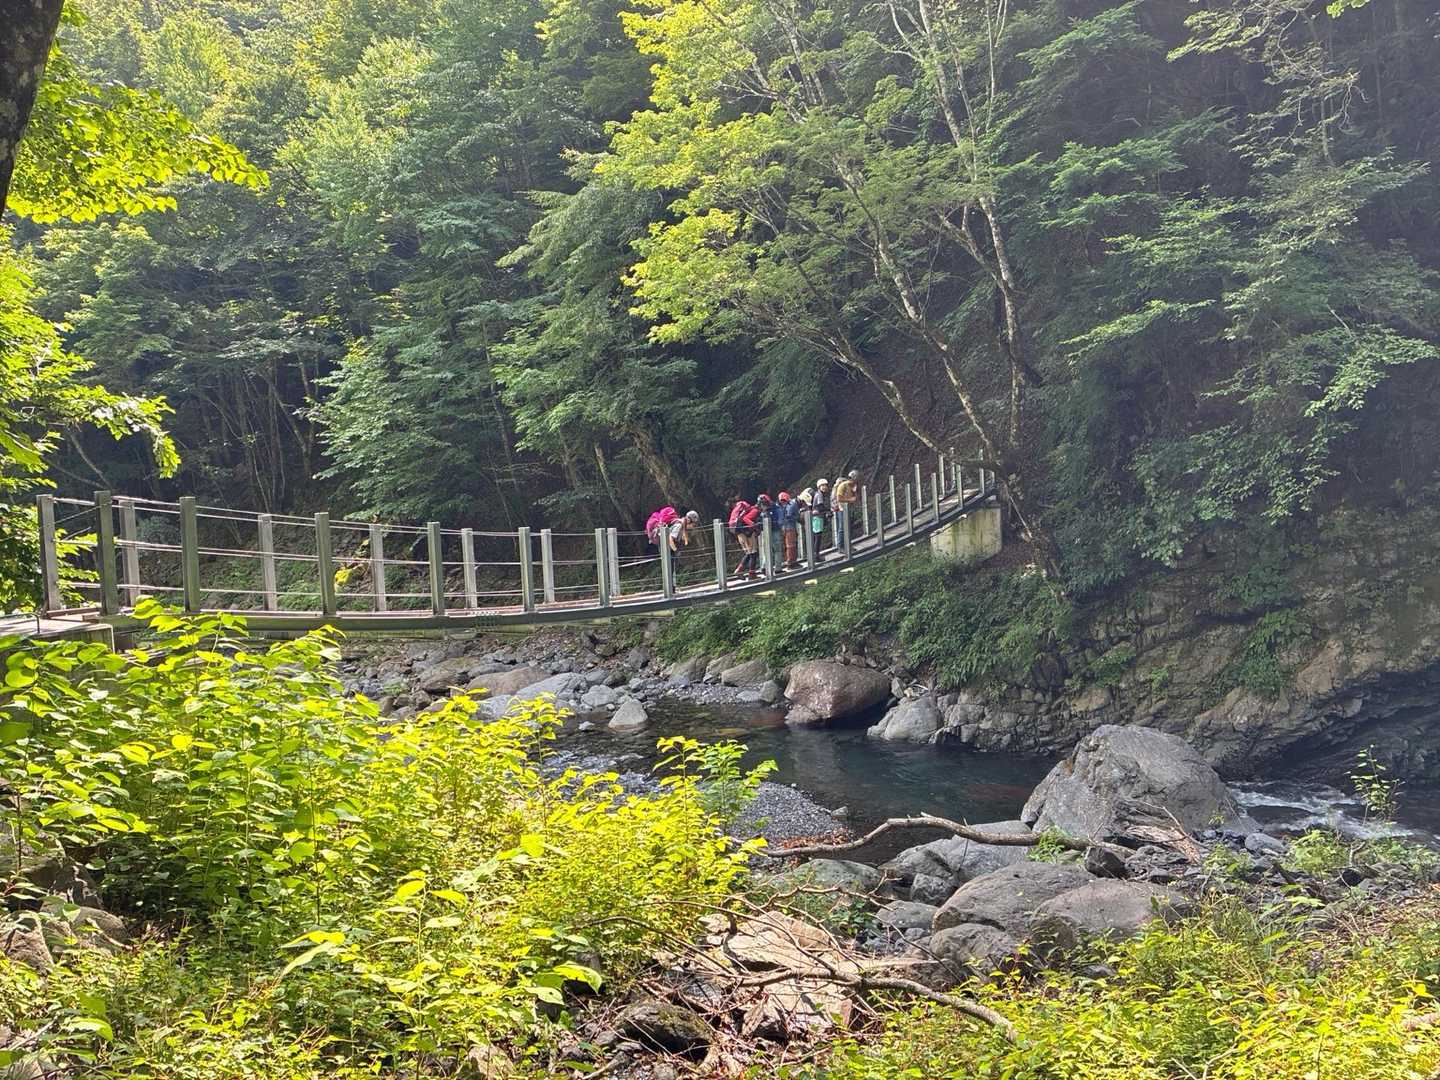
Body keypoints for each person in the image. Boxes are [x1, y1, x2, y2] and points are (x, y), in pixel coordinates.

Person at [833, 469, 860, 546]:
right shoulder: (843, 485)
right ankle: (840, 545)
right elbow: (839, 498)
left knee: (849, 527)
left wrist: (855, 492)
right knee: (842, 528)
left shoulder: (853, 486)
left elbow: (856, 498)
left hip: (850, 509)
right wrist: (850, 500)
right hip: (842, 509)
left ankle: (848, 544)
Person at [777, 490, 800, 569]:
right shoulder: (792, 504)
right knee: (791, 545)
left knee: (790, 545)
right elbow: (794, 516)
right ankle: (791, 563)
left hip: (784, 527)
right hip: (790, 527)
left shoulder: (780, 506)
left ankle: (792, 561)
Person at [811, 477, 832, 553]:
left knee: (816, 535)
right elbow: (820, 506)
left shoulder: (819, 494)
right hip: (818, 517)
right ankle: (816, 554)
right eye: (822, 486)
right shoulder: (819, 494)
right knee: (818, 536)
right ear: (819, 487)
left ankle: (815, 553)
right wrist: (828, 510)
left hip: (817, 516)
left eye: (825, 485)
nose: (824, 487)